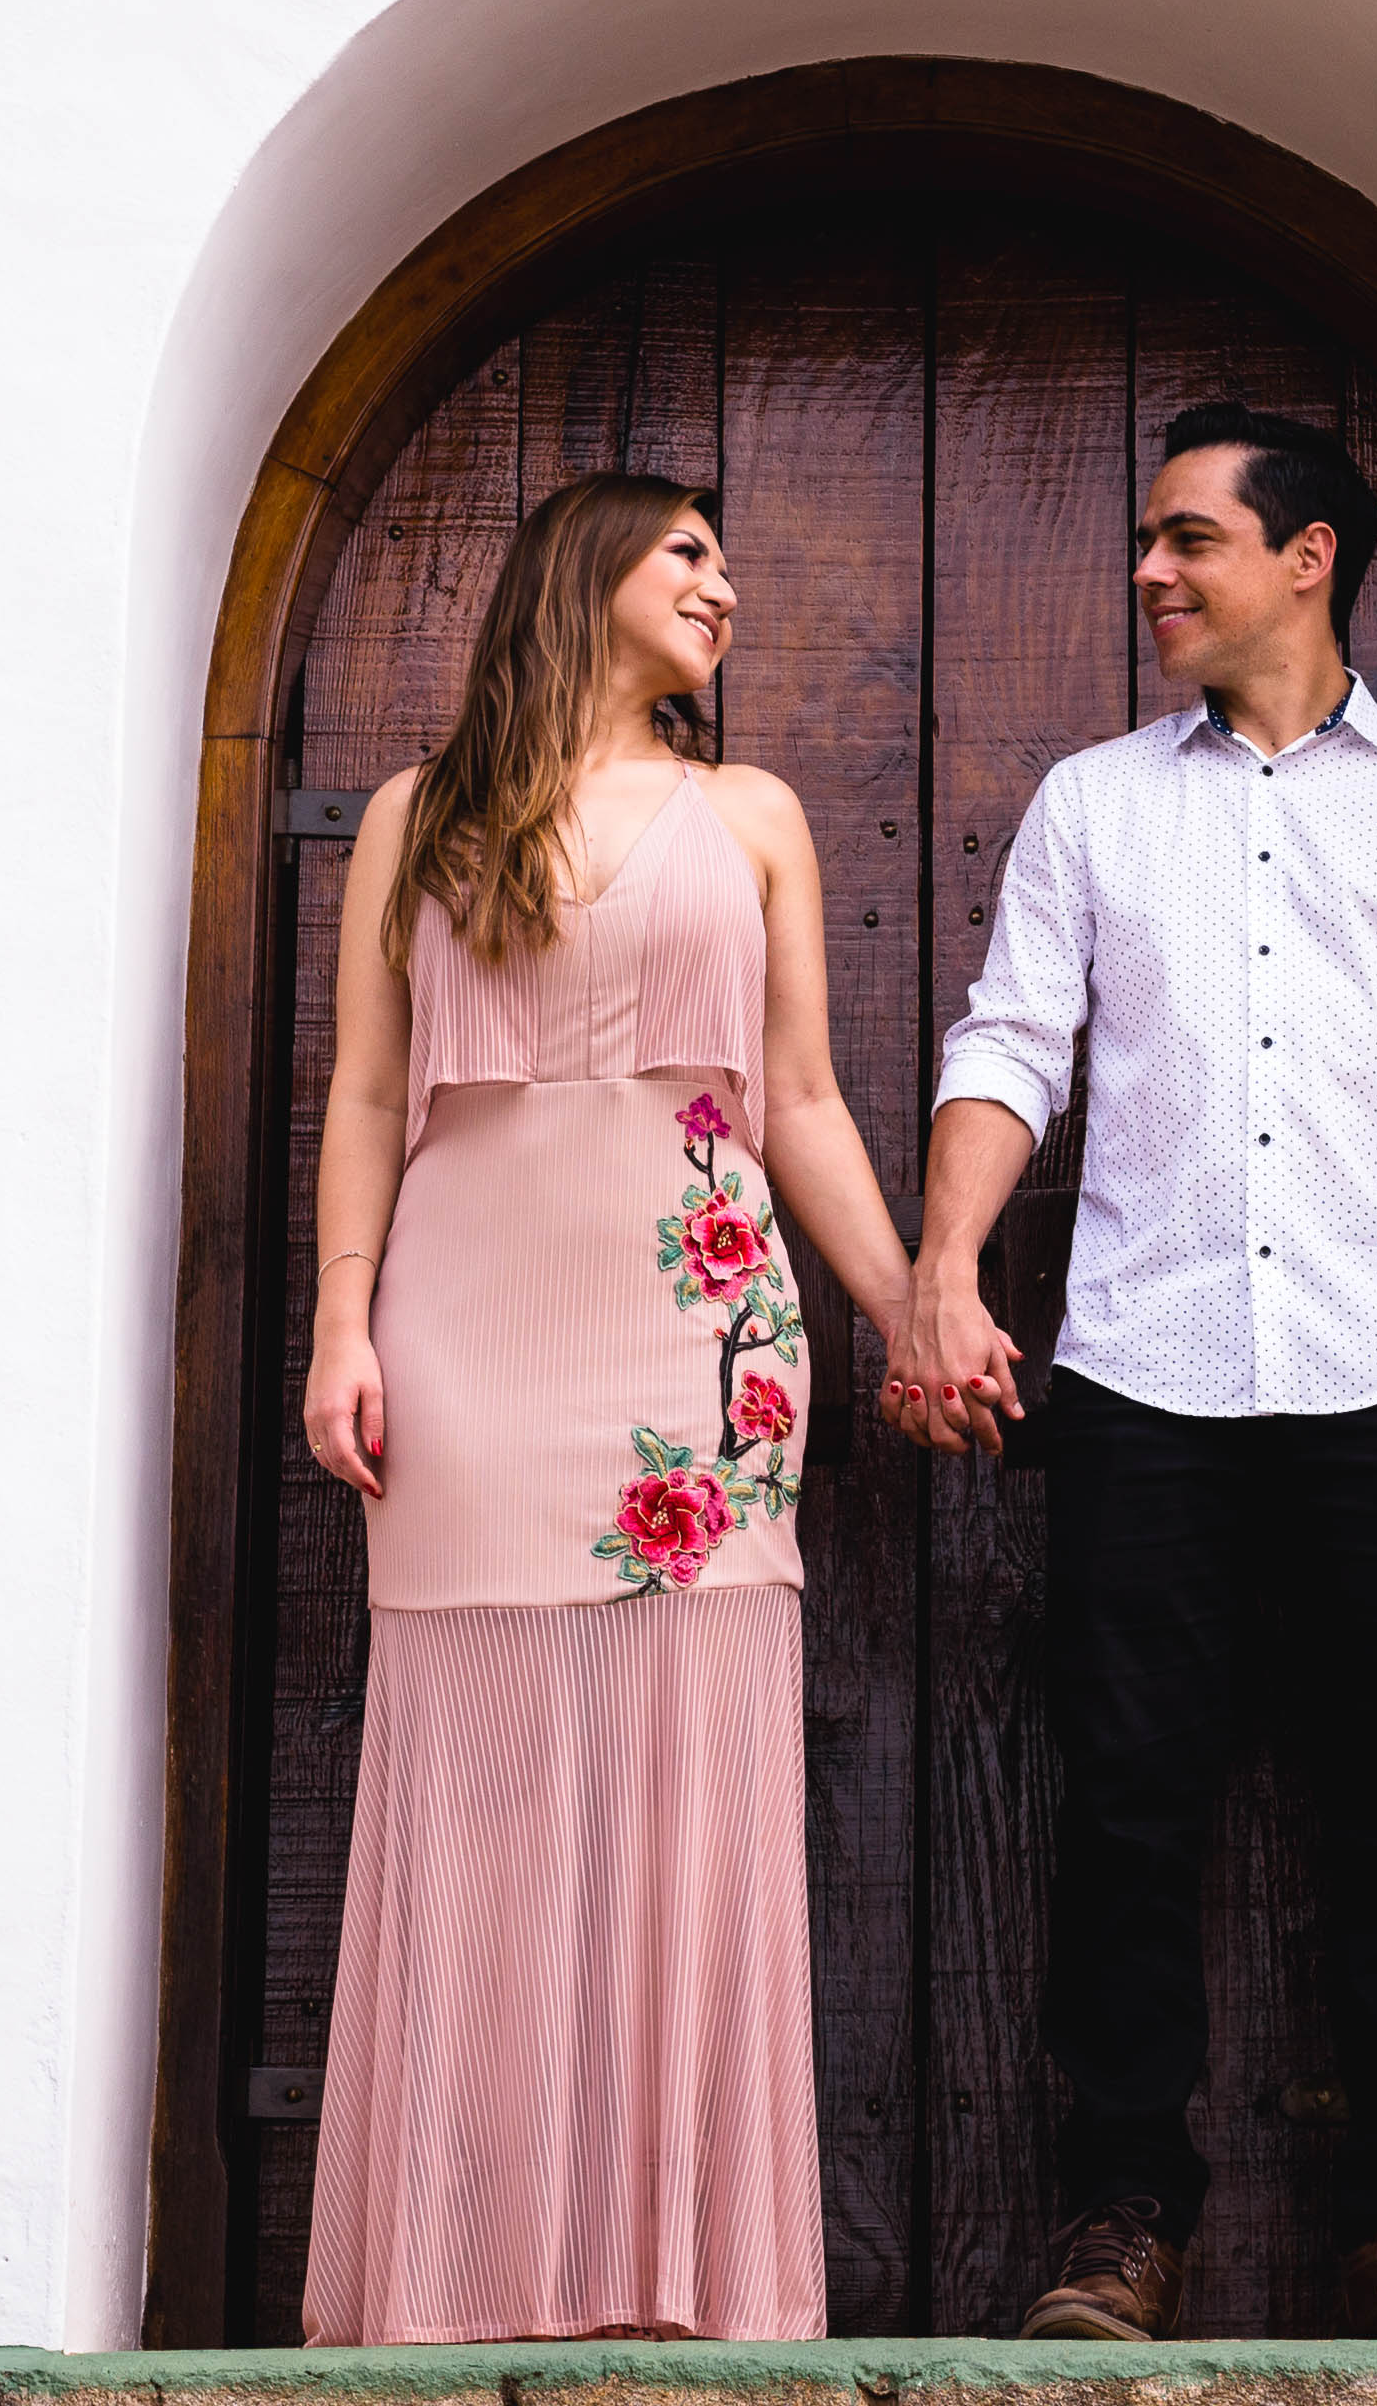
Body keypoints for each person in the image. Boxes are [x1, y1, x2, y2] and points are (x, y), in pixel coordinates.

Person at [896, 403, 1377, 2344]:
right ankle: (1119, 2218)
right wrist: (946, 1271)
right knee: (1121, 1817)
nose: (1151, 570)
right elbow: (1011, 1042)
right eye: (1147, 537)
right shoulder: (1094, 805)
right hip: (1144, 1379)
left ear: (1308, 558)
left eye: (1189, 536)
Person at [293, 472, 953, 2344]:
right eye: (690, 556)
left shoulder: (752, 816)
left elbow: (803, 1098)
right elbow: (363, 1094)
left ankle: (685, 2291)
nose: (725, 589)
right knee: (471, 1776)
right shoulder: (423, 817)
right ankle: (455, 2284)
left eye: (729, 561)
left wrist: (905, 1304)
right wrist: (343, 1328)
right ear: (587, 571)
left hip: (701, 1347)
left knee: (691, 1778)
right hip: (467, 1337)